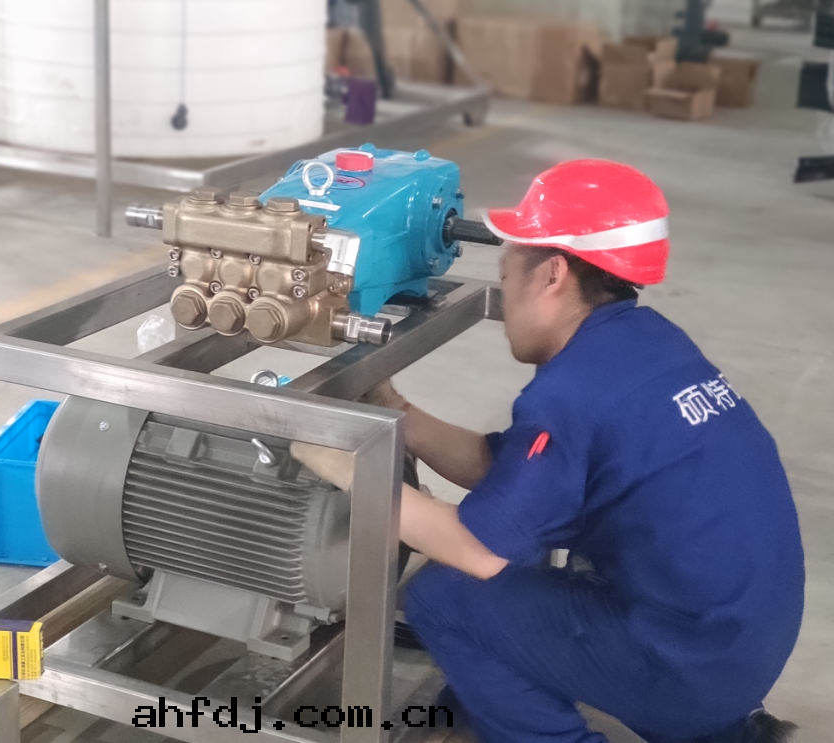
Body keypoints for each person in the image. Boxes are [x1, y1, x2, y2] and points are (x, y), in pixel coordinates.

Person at [291, 160, 805, 743]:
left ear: (553, 274)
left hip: (688, 664)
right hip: (740, 645)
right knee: (523, 539)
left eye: (507, 276)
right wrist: (398, 412)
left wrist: (343, 465)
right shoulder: (646, 340)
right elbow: (511, 476)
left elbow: (477, 550)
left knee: (443, 597)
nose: (506, 302)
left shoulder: (572, 391)